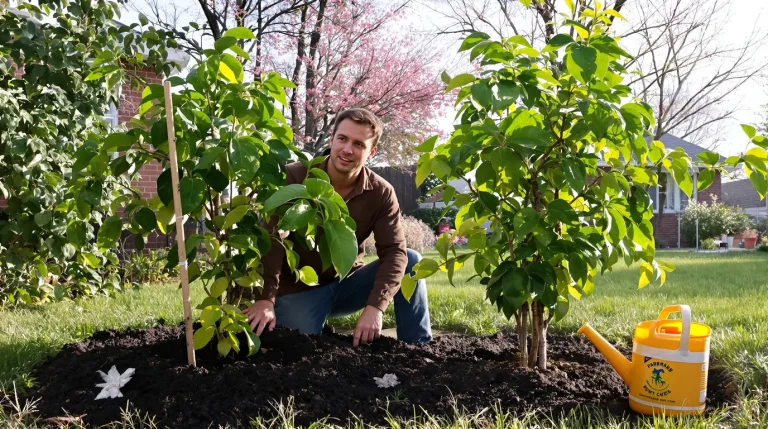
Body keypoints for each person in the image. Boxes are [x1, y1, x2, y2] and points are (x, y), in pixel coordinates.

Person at [243, 108, 432, 347]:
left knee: (412, 262)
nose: (347, 149)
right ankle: (316, 323)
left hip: (347, 283)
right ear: (332, 139)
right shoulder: (296, 176)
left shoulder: (381, 192)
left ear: (371, 152)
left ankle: (419, 350)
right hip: (299, 290)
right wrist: (265, 299)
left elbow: (395, 251)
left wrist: (376, 307)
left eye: (359, 144)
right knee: (299, 347)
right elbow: (272, 237)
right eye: (342, 139)